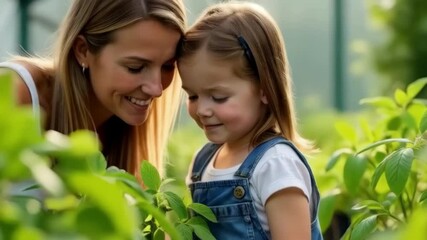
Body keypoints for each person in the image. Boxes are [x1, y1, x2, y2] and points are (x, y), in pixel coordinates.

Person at [178, 2, 323, 239]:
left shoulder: (275, 166)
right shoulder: (202, 163)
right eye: (192, 95)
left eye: (218, 97)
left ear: (265, 88)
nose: (202, 109)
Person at [0, 0, 186, 177]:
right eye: (135, 68)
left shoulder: (122, 131)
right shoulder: (15, 94)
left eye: (168, 66)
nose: (157, 89)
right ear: (83, 50)